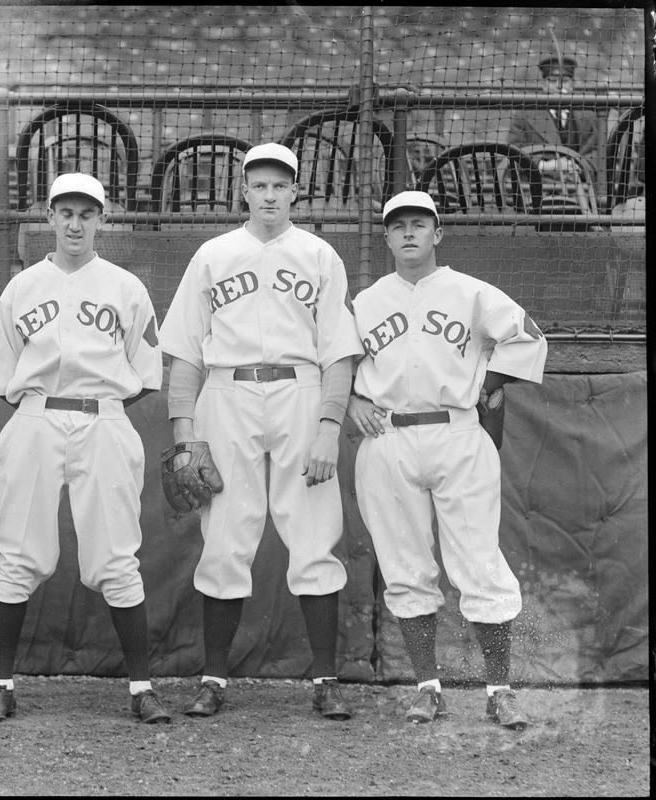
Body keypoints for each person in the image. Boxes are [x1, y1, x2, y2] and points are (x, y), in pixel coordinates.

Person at [158, 143, 364, 720]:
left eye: (280, 185)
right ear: (243, 190)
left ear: (296, 191)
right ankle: (214, 679)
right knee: (224, 534)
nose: (270, 194)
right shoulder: (213, 254)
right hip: (227, 393)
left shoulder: (320, 255)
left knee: (314, 531)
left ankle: (325, 679)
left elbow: (339, 356)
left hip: (300, 390)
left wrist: (329, 426)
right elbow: (185, 354)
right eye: (259, 185)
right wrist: (183, 433)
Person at [345, 190, 548, 730]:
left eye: (419, 224)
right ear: (386, 237)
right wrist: (351, 400)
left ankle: (500, 689)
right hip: (388, 438)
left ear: (438, 234)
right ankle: (426, 688)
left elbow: (527, 337)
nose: (408, 233)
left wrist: (488, 382)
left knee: (478, 561)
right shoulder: (365, 303)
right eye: (398, 226)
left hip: (458, 432)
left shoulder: (472, 292)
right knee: (405, 567)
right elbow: (335, 364)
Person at [0, 173, 170, 724]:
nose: (75, 223)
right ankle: (1, 686)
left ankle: (141, 689)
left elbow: (146, 373)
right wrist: (47, 414)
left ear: (102, 221)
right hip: (36, 416)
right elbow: (1, 376)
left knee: (116, 557)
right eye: (65, 212)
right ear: (50, 217)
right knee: (17, 552)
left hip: (104, 417)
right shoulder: (21, 288)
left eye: (87, 213)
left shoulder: (125, 287)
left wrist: (99, 413)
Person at [508, 53, 600, 179]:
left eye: (565, 81)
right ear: (543, 84)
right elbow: (513, 153)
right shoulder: (523, 115)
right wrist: (548, 165)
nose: (559, 86)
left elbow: (600, 150)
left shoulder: (590, 114)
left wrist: (579, 165)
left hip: (583, 185)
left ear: (573, 84)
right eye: (552, 81)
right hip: (539, 185)